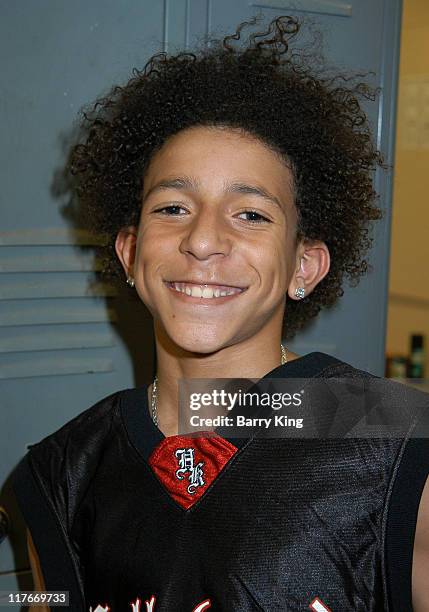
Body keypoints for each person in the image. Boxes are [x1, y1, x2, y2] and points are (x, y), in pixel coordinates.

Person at [12, 14, 429, 612]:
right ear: (130, 254)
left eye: (251, 214)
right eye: (173, 208)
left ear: (303, 267)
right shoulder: (59, 475)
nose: (203, 241)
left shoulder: (399, 442)